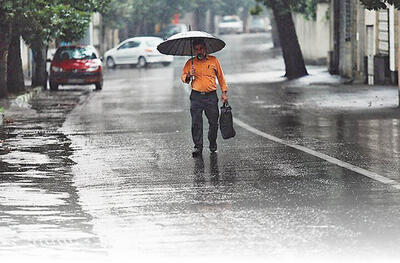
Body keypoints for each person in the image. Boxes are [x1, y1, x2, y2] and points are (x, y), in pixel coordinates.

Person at [181, 39, 228, 157]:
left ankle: (212, 142)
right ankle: (198, 147)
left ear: (205, 48)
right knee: (196, 123)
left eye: (201, 49)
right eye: (196, 50)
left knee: (213, 122)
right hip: (196, 96)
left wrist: (224, 93)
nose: (199, 52)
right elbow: (183, 78)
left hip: (211, 97)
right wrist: (189, 75)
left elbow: (221, 77)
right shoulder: (190, 63)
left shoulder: (214, 61)